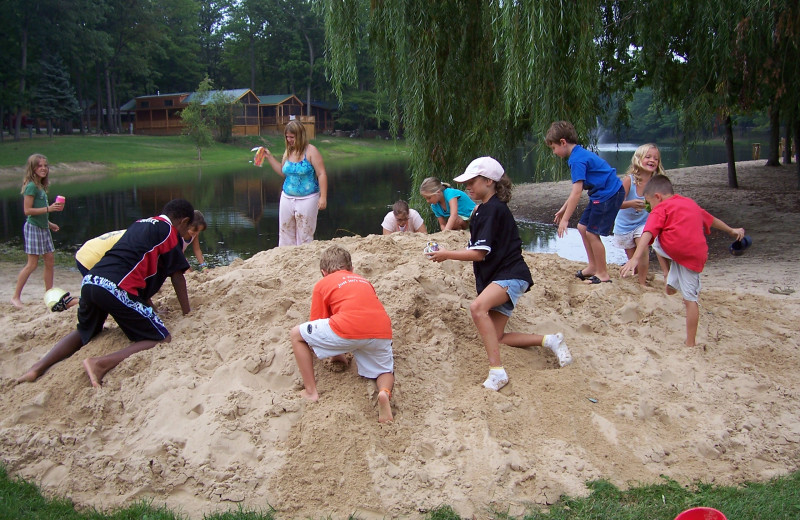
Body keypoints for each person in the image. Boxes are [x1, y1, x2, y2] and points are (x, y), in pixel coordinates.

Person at [426, 157, 573, 391]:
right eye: (466, 183)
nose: (468, 187)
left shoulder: (493, 209)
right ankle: (550, 340)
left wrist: (446, 253)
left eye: (472, 182)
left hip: (510, 275)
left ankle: (497, 372)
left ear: (488, 181)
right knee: (498, 336)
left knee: (477, 308)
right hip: (500, 276)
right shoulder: (482, 210)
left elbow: (478, 254)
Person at [17, 199, 195, 387]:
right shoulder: (169, 232)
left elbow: (137, 271)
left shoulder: (140, 224)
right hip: (114, 287)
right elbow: (177, 276)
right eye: (188, 228)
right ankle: (99, 364)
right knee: (160, 336)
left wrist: (150, 308)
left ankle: (38, 367)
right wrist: (187, 312)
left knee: (86, 330)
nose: (186, 235)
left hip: (91, 280)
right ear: (183, 221)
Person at [620, 175, 744, 347]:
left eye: (650, 202)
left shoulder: (660, 208)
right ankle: (670, 280)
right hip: (695, 255)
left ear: (658, 197)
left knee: (690, 300)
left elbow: (648, 232)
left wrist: (634, 258)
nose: (651, 207)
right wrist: (731, 230)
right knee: (687, 294)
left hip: (679, 252)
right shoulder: (689, 203)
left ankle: (690, 343)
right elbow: (711, 219)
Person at [289, 245, 395, 422]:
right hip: (381, 330)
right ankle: (384, 393)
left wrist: (335, 350)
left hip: (348, 329)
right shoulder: (363, 280)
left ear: (323, 272)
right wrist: (339, 355)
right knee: (384, 370)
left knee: (296, 335)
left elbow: (320, 323)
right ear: (352, 269)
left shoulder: (322, 284)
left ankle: (310, 392)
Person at [546, 121, 625, 284]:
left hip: (608, 194)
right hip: (601, 194)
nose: (554, 152)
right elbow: (577, 189)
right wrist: (563, 209)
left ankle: (603, 274)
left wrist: (566, 219)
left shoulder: (577, 160)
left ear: (563, 142)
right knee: (582, 227)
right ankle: (593, 266)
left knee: (592, 233)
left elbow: (577, 192)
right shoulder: (578, 155)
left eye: (553, 148)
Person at [258, 119, 328, 246]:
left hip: (308, 197)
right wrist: (269, 157)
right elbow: (283, 171)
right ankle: (286, 258)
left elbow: (321, 174)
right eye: (287, 137)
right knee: (285, 232)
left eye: (292, 137)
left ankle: (304, 257)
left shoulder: (311, 151)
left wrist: (323, 197)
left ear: (300, 136)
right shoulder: (288, 151)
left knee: (305, 233)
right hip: (287, 197)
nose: (289, 140)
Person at [10, 154, 65, 308]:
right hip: (33, 229)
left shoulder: (40, 186)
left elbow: (39, 213)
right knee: (32, 264)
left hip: (42, 228)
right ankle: (15, 297)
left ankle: (49, 295)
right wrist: (49, 208)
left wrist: (49, 223)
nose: (43, 168)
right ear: (32, 168)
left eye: (45, 166)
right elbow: (27, 211)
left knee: (50, 260)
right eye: (39, 166)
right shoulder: (31, 186)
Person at [612, 143, 666, 286]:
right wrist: (631, 204)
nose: (652, 160)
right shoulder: (629, 180)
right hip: (624, 226)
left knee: (642, 253)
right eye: (648, 157)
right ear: (638, 159)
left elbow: (662, 204)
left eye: (655, 158)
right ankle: (636, 278)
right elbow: (616, 204)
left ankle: (642, 283)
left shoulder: (656, 183)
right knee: (632, 259)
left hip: (643, 224)